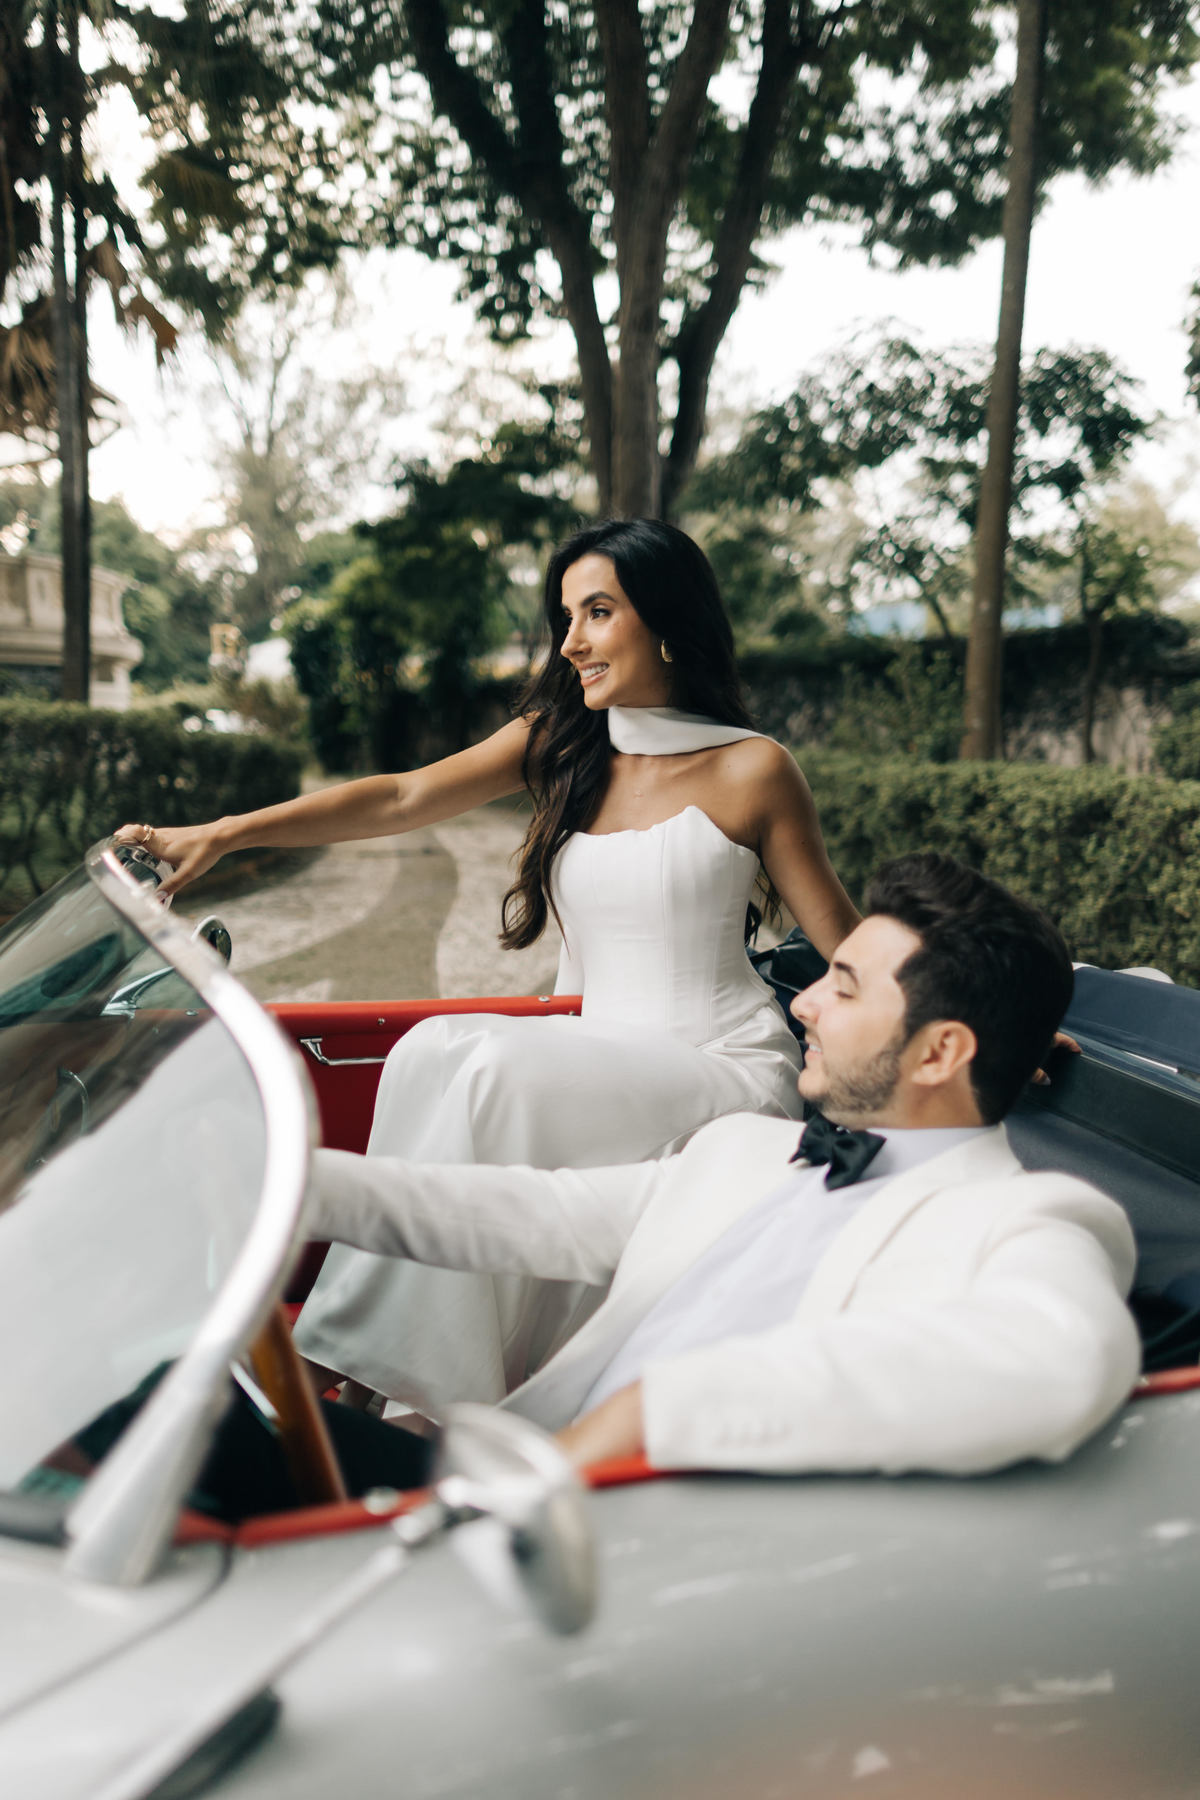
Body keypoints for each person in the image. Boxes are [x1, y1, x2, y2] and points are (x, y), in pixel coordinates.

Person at [117, 519, 860, 1412]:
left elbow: (844, 941)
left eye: (597, 612)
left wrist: (952, 1032)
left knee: (496, 1070)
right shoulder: (568, 741)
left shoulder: (753, 770)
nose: (571, 642)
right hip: (601, 1058)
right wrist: (224, 834)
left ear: (667, 621)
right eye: (566, 618)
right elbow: (403, 797)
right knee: (427, 1051)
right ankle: (374, 1371)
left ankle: (342, 1374)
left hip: (719, 1064)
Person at [302, 853, 1140, 1479]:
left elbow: (1060, 1363)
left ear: (939, 1054)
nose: (804, 1003)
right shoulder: (742, 1146)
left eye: (844, 989)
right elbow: (522, 1212)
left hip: (628, 1549)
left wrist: (654, 1413)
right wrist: (293, 1186)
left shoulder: (1023, 1219)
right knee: (225, 1423)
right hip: (502, 1480)